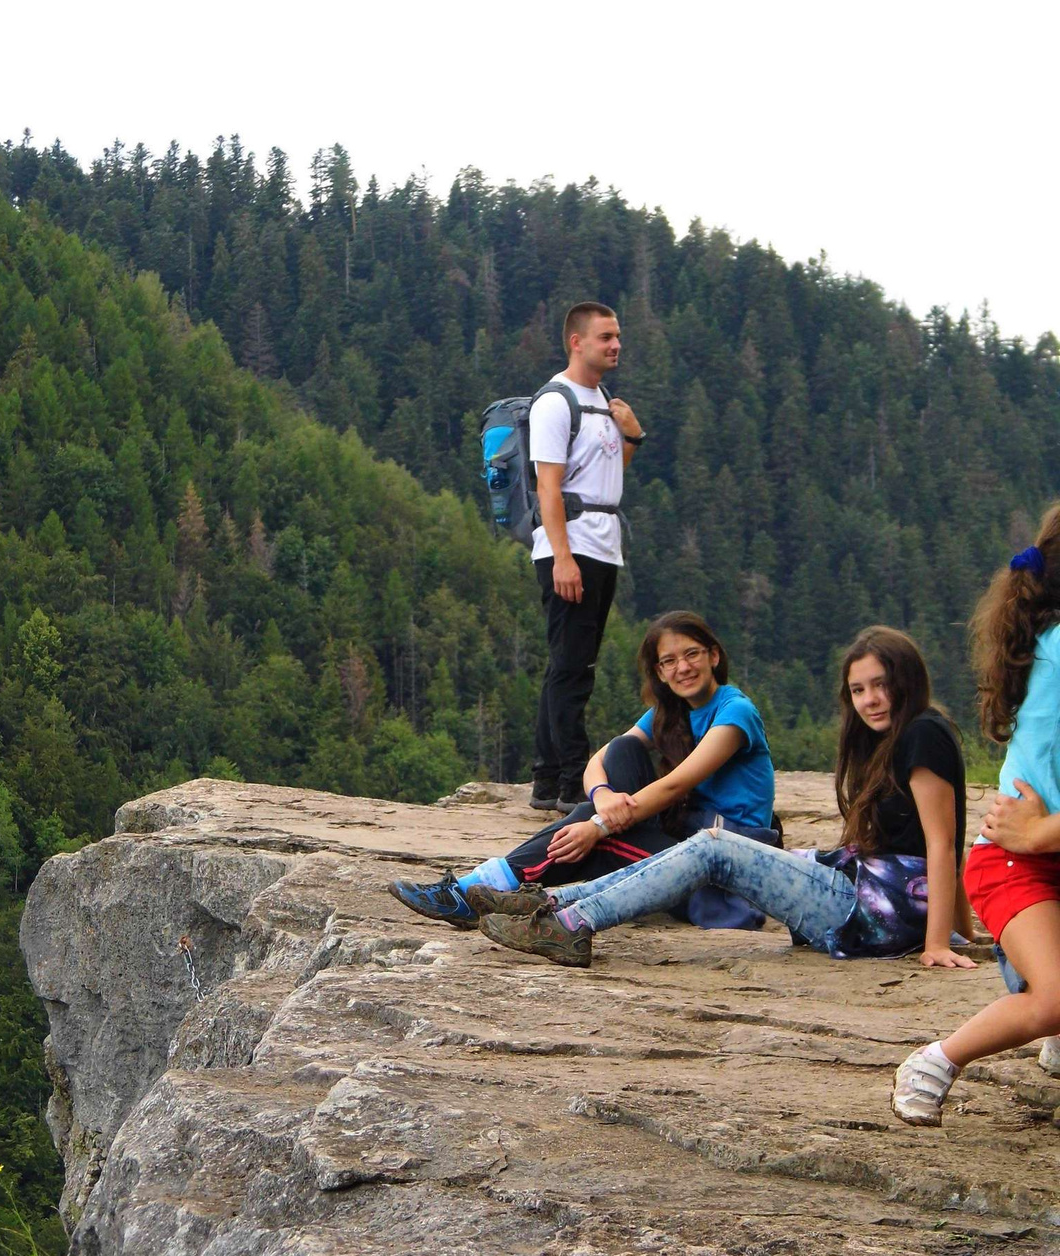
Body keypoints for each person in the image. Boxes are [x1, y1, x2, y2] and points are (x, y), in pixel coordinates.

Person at [478, 627, 977, 978]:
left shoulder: (923, 734)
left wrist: (939, 943)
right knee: (712, 851)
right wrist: (964, 935)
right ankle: (550, 903)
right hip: (864, 894)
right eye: (859, 690)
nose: (871, 699)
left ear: (908, 679)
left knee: (716, 847)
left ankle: (570, 922)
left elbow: (943, 843)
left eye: (882, 685)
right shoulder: (896, 736)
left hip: (876, 914)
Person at [389, 612, 777, 931]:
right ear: (659, 673)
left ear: (713, 656)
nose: (683, 668)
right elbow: (600, 761)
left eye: (691, 655)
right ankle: (486, 893)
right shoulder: (669, 714)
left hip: (724, 867)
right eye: (669, 661)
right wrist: (603, 800)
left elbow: (677, 784)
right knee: (624, 752)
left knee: (593, 839)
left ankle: (474, 892)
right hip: (687, 840)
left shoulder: (735, 712)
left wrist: (599, 826)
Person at [893, 510, 1060, 1126]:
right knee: (1053, 999)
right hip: (1017, 860)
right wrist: (1042, 835)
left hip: (1039, 841)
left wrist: (1047, 829)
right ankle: (936, 1061)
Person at [529, 300, 645, 811]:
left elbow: (606, 472)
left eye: (617, 336)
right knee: (573, 669)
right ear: (577, 341)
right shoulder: (555, 402)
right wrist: (561, 557)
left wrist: (633, 435)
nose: (616, 344)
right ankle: (575, 781)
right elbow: (547, 488)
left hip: (601, 545)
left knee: (569, 664)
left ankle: (545, 778)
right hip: (571, 545)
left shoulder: (603, 400)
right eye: (605, 337)